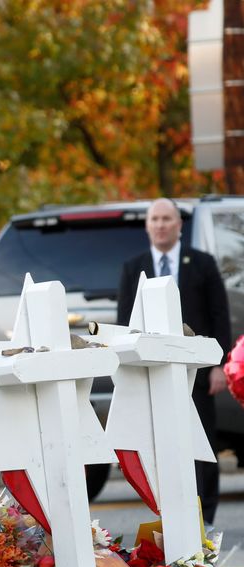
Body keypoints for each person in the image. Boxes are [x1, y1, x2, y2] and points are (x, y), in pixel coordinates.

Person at [116, 198, 232, 525]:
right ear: (147, 225)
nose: (161, 225)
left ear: (180, 224)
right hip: (152, 373)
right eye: (155, 219)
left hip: (195, 371)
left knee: (201, 440)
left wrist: (219, 366)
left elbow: (219, 316)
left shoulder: (202, 264)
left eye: (168, 218)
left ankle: (204, 515)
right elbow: (125, 322)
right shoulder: (132, 267)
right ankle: (168, 512)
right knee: (159, 441)